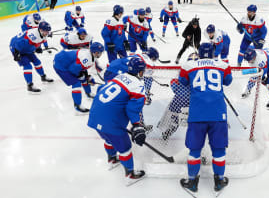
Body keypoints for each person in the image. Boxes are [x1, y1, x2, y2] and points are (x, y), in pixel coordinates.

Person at [178, 43, 232, 196]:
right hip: (218, 114)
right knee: (219, 149)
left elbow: (182, 82)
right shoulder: (223, 64)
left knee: (194, 149)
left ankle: (192, 181)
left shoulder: (188, 65)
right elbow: (228, 81)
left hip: (197, 114)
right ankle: (219, 180)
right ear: (214, 53)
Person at [87, 57, 147, 186]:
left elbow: (100, 89)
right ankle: (130, 175)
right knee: (125, 147)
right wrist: (137, 125)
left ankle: (112, 160)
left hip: (94, 115)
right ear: (140, 72)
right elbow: (132, 108)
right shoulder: (138, 84)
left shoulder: (119, 76)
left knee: (108, 139)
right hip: (110, 121)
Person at [53, 42, 104, 113]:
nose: (100, 54)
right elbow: (73, 70)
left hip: (66, 61)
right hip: (61, 65)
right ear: (94, 52)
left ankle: (88, 93)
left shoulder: (90, 55)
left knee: (84, 78)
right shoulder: (86, 58)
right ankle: (78, 106)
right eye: (99, 52)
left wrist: (86, 76)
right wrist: (84, 76)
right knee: (76, 84)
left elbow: (81, 68)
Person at [157, 53, 197, 140]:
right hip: (191, 101)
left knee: (175, 119)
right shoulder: (198, 71)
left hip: (185, 100)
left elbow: (174, 85)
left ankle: (167, 132)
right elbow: (174, 84)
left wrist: (181, 91)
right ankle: (167, 133)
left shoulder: (183, 70)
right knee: (176, 121)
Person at [9, 21, 54, 93]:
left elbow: (39, 41)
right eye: (46, 31)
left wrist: (38, 48)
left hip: (26, 48)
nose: (47, 33)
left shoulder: (40, 33)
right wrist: (16, 53)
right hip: (17, 48)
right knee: (27, 66)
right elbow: (18, 43)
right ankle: (30, 85)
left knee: (37, 62)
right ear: (41, 30)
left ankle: (43, 77)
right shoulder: (33, 35)